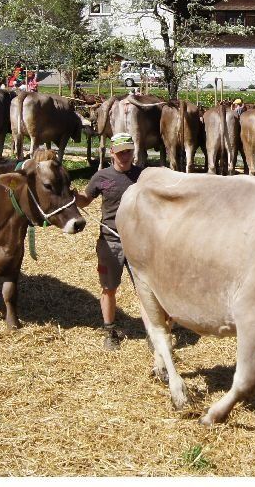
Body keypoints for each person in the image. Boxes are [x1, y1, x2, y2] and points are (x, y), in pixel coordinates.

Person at [74, 133, 144, 350]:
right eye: (121, 152)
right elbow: (85, 200)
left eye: (128, 151)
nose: (125, 156)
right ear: (112, 152)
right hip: (110, 241)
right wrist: (72, 196)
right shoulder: (101, 177)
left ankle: (153, 333)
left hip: (138, 242)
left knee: (145, 290)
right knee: (109, 288)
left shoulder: (143, 176)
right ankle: (110, 330)